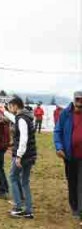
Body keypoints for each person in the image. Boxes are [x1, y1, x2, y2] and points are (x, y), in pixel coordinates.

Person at [5, 97, 36, 219]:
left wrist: (18, 156)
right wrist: (4, 112)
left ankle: (18, 207)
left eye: (10, 106)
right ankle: (28, 210)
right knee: (24, 181)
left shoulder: (22, 119)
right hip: (30, 154)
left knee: (12, 177)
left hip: (23, 155)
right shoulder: (25, 117)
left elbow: (24, 138)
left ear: (15, 106)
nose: (9, 108)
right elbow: (14, 119)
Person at [53, 91, 82, 223]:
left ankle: (80, 210)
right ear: (74, 99)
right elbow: (58, 131)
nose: (80, 101)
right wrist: (59, 147)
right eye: (78, 99)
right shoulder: (65, 113)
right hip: (69, 156)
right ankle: (74, 207)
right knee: (72, 182)